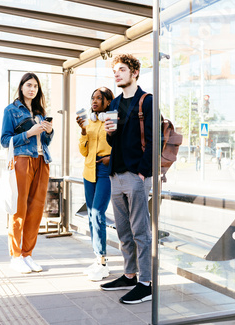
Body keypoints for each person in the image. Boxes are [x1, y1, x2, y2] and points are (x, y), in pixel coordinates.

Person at [101, 54, 153, 304]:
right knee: (123, 230)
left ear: (134, 73)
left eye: (121, 69)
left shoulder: (147, 101)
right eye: (115, 71)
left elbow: (155, 140)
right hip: (116, 174)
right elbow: (114, 141)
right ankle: (130, 274)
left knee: (140, 231)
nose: (117, 74)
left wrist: (143, 172)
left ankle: (146, 282)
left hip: (136, 175)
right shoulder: (115, 105)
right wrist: (110, 134)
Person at [0, 72, 54, 274]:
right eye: (29, 85)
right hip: (22, 161)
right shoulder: (11, 110)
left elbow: (46, 142)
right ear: (21, 87)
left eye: (35, 86)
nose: (32, 89)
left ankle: (27, 254)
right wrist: (29, 133)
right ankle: (15, 256)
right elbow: (5, 140)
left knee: (36, 210)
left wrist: (48, 131)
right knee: (19, 209)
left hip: (42, 161)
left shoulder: (40, 112)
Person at [77, 87, 114, 281]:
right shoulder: (89, 123)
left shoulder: (112, 120)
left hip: (105, 171)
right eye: (93, 98)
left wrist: (111, 157)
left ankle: (103, 261)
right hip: (89, 170)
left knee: (98, 212)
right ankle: (98, 258)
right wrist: (83, 131)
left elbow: (121, 144)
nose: (95, 100)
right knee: (91, 214)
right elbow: (83, 151)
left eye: (99, 98)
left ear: (108, 102)